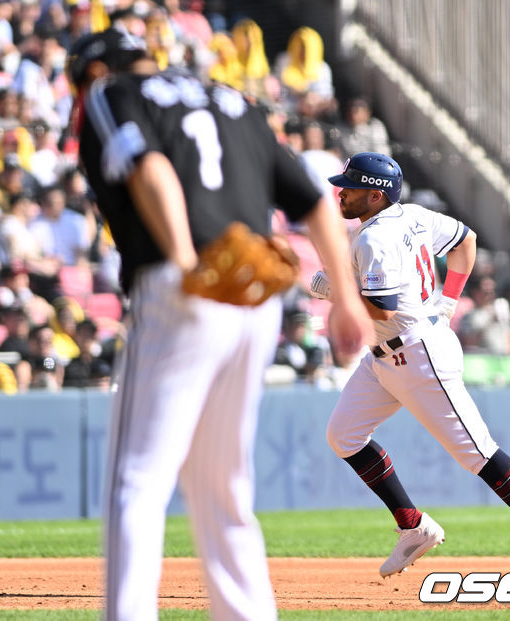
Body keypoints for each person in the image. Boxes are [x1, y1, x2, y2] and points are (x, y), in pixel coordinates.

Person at [67, 27, 371, 621]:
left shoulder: (111, 92)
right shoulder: (227, 97)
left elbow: (148, 168)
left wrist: (185, 264)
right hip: (255, 303)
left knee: (137, 481)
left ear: (95, 72)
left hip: (183, 284)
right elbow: (310, 198)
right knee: (224, 492)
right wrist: (347, 300)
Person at [312, 152, 510, 585]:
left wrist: (335, 290)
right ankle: (413, 525)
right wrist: (450, 299)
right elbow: (466, 239)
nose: (341, 191)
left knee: (476, 452)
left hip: (419, 355)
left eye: (351, 185)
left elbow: (380, 311)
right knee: (343, 436)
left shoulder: (373, 239)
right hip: (387, 355)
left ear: (376, 194)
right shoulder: (414, 216)